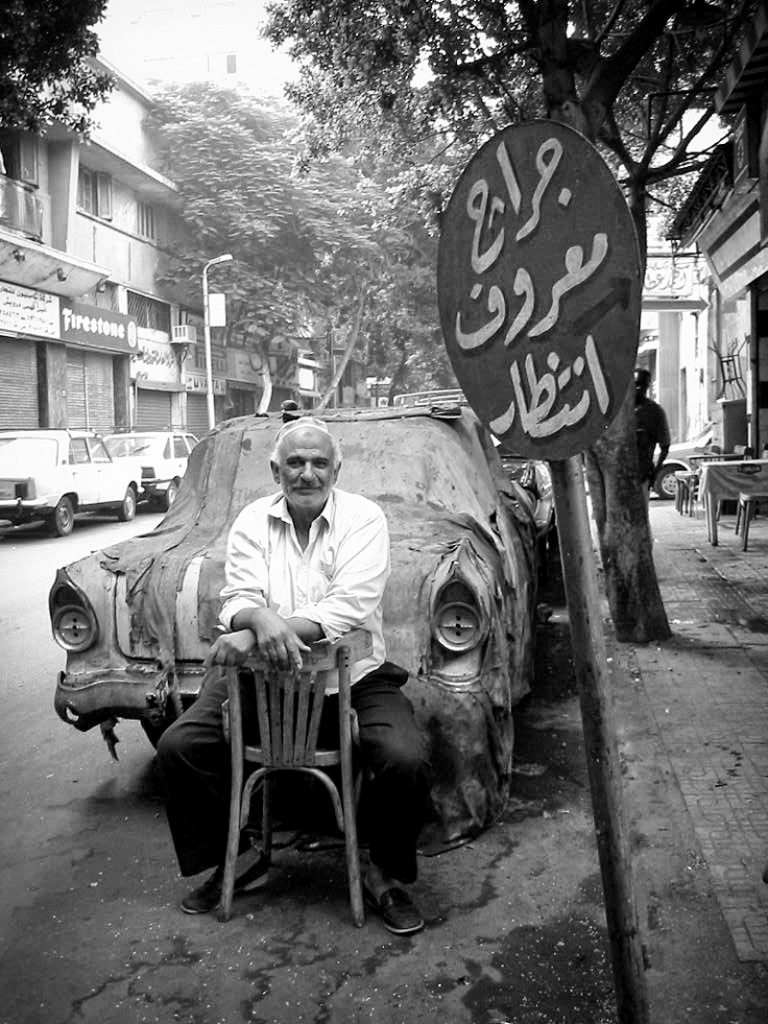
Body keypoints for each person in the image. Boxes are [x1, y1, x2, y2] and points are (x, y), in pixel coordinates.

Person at [156, 416, 432, 935]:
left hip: (351, 677)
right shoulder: (252, 520)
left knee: (405, 759)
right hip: (264, 677)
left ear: (337, 469)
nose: (307, 473)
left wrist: (253, 632)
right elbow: (239, 596)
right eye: (295, 463)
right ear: (275, 469)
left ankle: (381, 873)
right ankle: (235, 859)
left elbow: (347, 606)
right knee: (179, 748)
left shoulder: (365, 518)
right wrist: (257, 621)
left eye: (319, 463)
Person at [634, 367, 670, 497]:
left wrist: (656, 472)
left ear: (647, 387)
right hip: (619, 475)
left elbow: (665, 446)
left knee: (640, 514)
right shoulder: (621, 412)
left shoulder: (655, 412)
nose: (638, 389)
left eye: (642, 385)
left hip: (642, 475)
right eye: (635, 385)